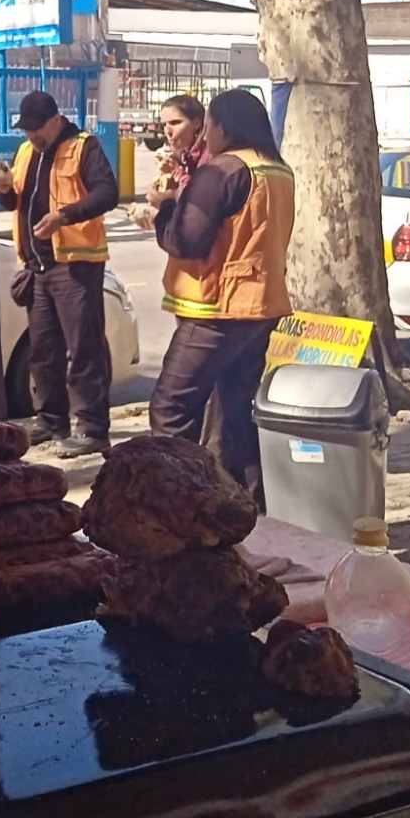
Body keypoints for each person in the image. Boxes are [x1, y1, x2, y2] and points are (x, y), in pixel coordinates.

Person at [147, 88, 295, 507]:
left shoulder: (222, 171)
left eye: (208, 124)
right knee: (235, 414)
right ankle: (248, 510)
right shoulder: (277, 170)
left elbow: (187, 241)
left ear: (223, 127)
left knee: (172, 409)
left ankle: (179, 509)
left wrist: (163, 209)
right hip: (261, 308)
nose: (205, 134)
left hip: (216, 309)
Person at [0, 90, 119, 459]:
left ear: (55, 119)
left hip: (76, 265)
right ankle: (50, 419)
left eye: (37, 128)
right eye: (26, 129)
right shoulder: (26, 152)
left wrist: (64, 217)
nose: (32, 135)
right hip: (38, 267)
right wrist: (3, 190)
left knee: (83, 350)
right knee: (43, 350)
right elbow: (17, 202)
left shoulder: (84, 147)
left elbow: (107, 194)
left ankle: (92, 428)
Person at [131, 94, 206, 230]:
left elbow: (198, 201)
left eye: (175, 123)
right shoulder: (183, 155)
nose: (168, 131)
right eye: (164, 124)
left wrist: (176, 172)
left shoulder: (208, 156)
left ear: (197, 123)